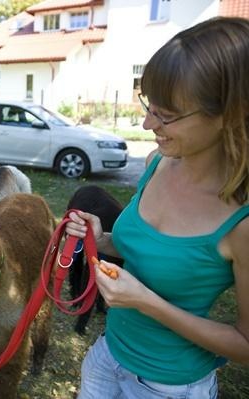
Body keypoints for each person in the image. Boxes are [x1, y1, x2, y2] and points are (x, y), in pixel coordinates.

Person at [65, 17, 249, 398]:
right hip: (108, 357)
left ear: (231, 114)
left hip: (170, 385)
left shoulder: (241, 221)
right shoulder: (155, 163)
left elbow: (245, 345)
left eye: (167, 114)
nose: (148, 123)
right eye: (149, 105)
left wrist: (147, 303)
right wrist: (105, 240)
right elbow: (146, 252)